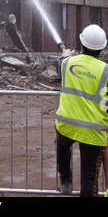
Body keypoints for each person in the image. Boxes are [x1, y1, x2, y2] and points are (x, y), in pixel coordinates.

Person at [56, 24, 108, 197]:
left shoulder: (67, 63)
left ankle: (65, 181)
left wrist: (65, 55)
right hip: (93, 131)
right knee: (89, 178)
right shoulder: (106, 71)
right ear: (102, 47)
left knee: (62, 145)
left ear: (81, 43)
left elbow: (60, 66)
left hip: (67, 125)